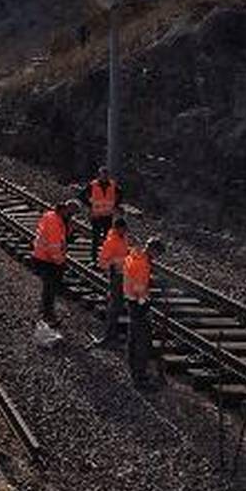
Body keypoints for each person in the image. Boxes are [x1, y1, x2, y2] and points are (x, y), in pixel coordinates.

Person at [122, 236, 165, 389]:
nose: (157, 257)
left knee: (133, 338)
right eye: (158, 253)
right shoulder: (142, 264)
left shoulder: (136, 256)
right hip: (137, 305)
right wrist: (145, 307)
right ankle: (139, 378)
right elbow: (139, 288)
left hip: (131, 301)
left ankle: (134, 370)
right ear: (152, 250)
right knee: (142, 341)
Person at [32, 200, 77, 323]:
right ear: (64, 210)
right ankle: (48, 315)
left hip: (42, 256)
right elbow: (53, 246)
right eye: (70, 213)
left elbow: (62, 239)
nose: (71, 215)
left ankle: (44, 310)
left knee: (48, 287)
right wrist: (60, 262)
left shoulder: (53, 217)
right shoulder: (55, 223)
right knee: (50, 288)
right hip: (48, 259)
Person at [90, 216, 129, 348]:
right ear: (117, 228)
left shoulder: (123, 239)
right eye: (123, 229)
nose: (125, 231)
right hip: (116, 276)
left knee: (118, 306)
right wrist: (115, 264)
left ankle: (112, 333)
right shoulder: (111, 242)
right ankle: (109, 335)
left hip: (123, 275)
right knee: (114, 306)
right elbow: (102, 262)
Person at [79, 165, 123, 265]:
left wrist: (115, 205)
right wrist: (90, 205)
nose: (105, 176)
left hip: (108, 215)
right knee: (96, 237)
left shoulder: (113, 185)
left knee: (107, 238)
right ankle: (94, 258)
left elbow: (121, 195)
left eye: (106, 174)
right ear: (100, 175)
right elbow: (81, 195)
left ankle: (105, 257)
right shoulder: (93, 185)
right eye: (103, 174)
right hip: (96, 215)